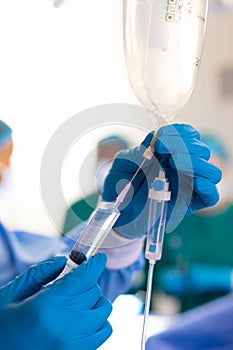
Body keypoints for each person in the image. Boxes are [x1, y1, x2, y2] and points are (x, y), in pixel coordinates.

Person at [0, 123, 221, 349]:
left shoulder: (6, 245)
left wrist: (120, 230)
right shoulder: (74, 208)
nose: (3, 171)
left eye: (7, 159)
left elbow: (61, 278)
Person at [156, 133, 233, 312]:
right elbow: (155, 274)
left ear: (226, 170)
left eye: (212, 168)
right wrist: (165, 279)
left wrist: (224, 278)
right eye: (196, 172)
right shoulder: (174, 221)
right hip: (188, 323)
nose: (204, 178)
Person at [62, 134, 128, 234]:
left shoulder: (134, 211)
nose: (105, 165)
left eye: (112, 159)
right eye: (102, 157)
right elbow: (62, 247)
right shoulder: (76, 209)